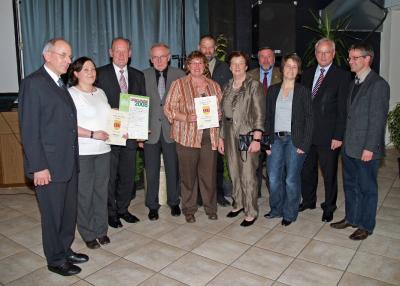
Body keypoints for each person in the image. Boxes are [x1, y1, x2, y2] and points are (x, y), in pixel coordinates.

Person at [18, 38, 88, 276]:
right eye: (63, 55)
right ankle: (55, 259)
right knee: (52, 215)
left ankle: (65, 249)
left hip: (67, 163)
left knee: (68, 212)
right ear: (48, 56)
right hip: (48, 166)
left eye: (69, 56)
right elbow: (29, 130)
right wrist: (38, 167)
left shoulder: (59, 83)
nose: (69, 60)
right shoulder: (34, 83)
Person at [331, 43, 390, 240]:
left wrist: (370, 148)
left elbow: (377, 120)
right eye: (350, 58)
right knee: (350, 185)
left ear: (367, 59)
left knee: (367, 188)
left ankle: (366, 225)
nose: (351, 61)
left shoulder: (378, 85)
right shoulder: (353, 82)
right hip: (350, 147)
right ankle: (352, 218)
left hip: (366, 149)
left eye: (355, 58)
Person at [164, 51, 222, 223]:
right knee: (188, 176)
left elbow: (220, 109)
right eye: (193, 63)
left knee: (208, 175)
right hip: (187, 137)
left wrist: (218, 114)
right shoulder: (179, 84)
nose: (197, 66)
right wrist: (186, 117)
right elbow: (168, 108)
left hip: (209, 136)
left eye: (200, 63)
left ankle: (211, 208)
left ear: (205, 66)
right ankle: (189, 209)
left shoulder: (214, 86)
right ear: (187, 66)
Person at [300, 38, 351, 222]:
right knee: (307, 170)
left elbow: (342, 110)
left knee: (329, 174)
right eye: (319, 52)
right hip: (307, 134)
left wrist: (338, 135)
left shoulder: (342, 76)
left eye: (327, 52)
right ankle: (308, 200)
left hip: (329, 136)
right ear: (315, 54)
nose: (323, 55)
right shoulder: (305, 74)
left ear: (333, 54)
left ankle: (329, 206)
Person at [97, 37, 145, 228]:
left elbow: (142, 105)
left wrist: (141, 131)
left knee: (127, 175)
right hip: (109, 137)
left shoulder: (137, 76)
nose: (121, 54)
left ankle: (123, 209)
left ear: (130, 53)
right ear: (110, 52)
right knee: (110, 177)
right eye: (117, 51)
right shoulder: (99, 74)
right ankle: (111, 213)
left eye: (125, 51)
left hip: (130, 137)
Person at [68, 57, 112, 249]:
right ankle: (87, 232)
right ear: (76, 73)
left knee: (101, 192)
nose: (91, 72)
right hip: (83, 152)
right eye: (86, 69)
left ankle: (101, 230)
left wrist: (126, 127)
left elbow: (110, 118)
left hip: (104, 150)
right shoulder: (71, 94)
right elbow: (68, 125)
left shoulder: (101, 92)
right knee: (84, 194)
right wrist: (93, 134)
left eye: (93, 69)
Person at [265, 53, 313, 226]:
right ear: (282, 69)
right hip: (275, 140)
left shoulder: (303, 91)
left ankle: (290, 213)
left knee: (291, 179)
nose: (291, 69)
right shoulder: (272, 90)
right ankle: (276, 209)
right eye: (288, 66)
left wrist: (304, 144)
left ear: (298, 70)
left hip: (295, 141)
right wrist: (266, 142)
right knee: (272, 177)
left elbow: (309, 119)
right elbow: (267, 118)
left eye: (294, 67)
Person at [219, 51, 266, 227]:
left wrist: (257, 138)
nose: (237, 67)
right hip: (229, 131)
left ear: (246, 66)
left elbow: (260, 114)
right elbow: (223, 115)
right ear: (230, 67)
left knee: (247, 173)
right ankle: (238, 203)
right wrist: (221, 137)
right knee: (233, 170)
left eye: (241, 63)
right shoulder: (227, 86)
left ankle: (251, 211)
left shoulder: (254, 86)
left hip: (247, 133)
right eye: (234, 63)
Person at [143, 43, 185, 220]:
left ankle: (174, 202)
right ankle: (152, 206)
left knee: (173, 169)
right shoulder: (142, 76)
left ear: (169, 57)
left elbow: (185, 103)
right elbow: (137, 104)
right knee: (151, 171)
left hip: (172, 130)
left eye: (162, 57)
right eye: (155, 57)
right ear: (151, 59)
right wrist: (139, 130)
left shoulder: (180, 75)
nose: (159, 60)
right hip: (149, 132)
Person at [198, 35, 232, 206]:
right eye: (204, 47)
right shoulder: (192, 66)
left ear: (215, 48)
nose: (207, 51)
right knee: (198, 159)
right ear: (199, 47)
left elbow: (228, 93)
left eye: (211, 47)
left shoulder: (224, 67)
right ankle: (198, 196)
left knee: (217, 160)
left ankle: (218, 194)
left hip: (217, 121)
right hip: (197, 122)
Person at [248, 47, 282, 196]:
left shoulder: (282, 74)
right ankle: (255, 193)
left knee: (273, 163)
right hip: (254, 125)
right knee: (254, 161)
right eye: (262, 57)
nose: (266, 60)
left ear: (274, 59)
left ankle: (274, 193)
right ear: (258, 59)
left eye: (269, 57)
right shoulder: (249, 76)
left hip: (275, 125)